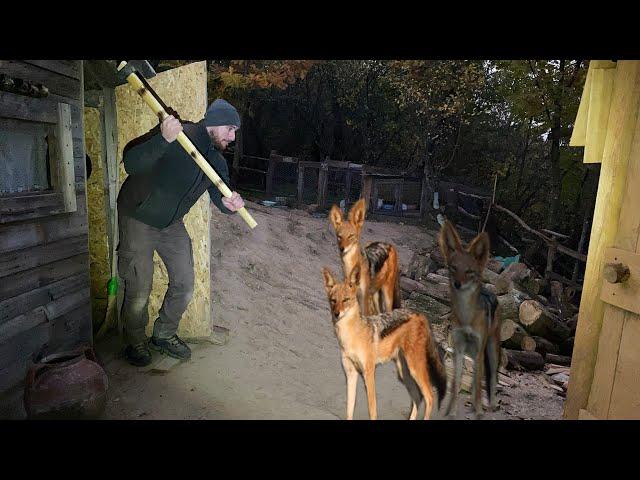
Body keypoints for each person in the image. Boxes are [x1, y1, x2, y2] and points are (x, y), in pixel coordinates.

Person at [117, 99, 245, 366]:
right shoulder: (178, 134)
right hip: (138, 216)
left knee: (185, 284)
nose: (232, 137)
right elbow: (131, 163)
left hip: (171, 224)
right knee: (140, 288)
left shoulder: (216, 161)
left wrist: (231, 205)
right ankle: (135, 341)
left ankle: (163, 334)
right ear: (214, 121)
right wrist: (162, 140)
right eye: (229, 129)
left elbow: (220, 198)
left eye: (234, 132)